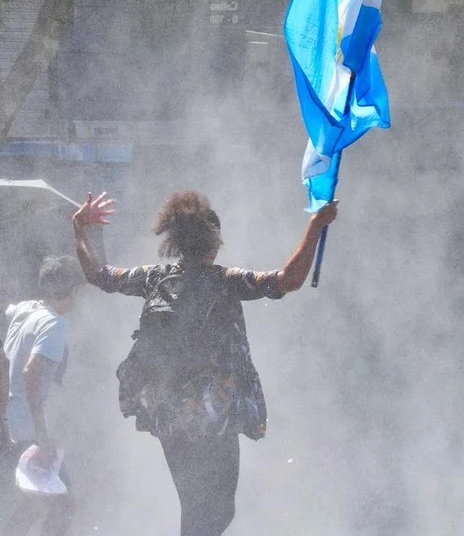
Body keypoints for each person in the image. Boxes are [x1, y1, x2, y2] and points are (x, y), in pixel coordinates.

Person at [72, 189, 337, 536]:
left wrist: (79, 228)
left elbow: (99, 275)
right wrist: (316, 225)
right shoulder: (224, 282)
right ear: (213, 242)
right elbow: (289, 280)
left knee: (198, 510)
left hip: (168, 416)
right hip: (213, 419)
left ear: (177, 241)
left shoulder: (154, 279)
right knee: (215, 514)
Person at [0, 254, 83, 536]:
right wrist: (42, 435)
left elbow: (5, 360)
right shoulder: (54, 324)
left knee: (34, 504)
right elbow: (31, 373)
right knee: (63, 505)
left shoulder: (26, 311)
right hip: (29, 431)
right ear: (72, 291)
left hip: (13, 425)